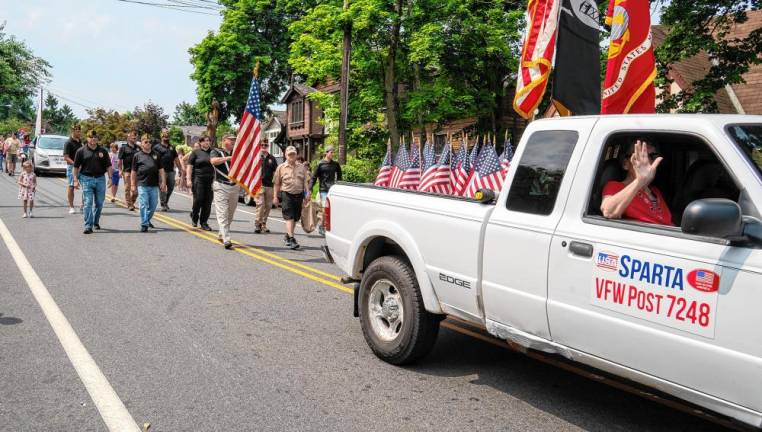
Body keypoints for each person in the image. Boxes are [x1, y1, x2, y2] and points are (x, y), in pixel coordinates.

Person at [601, 140, 673, 226]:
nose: (648, 161)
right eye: (640, 156)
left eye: (653, 156)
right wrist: (639, 181)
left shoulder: (655, 191)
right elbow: (609, 212)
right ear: (625, 164)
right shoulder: (615, 186)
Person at [72, 130, 113, 234]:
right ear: (87, 138)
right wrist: (76, 180)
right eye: (91, 137)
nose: (93, 139)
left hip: (100, 179)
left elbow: (108, 165)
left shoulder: (103, 151)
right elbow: (75, 167)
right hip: (86, 178)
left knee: (99, 203)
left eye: (95, 137)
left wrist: (110, 178)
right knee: (88, 203)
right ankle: (88, 225)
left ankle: (95, 221)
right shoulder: (81, 151)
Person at [273, 145, 310, 250]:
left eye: (293, 154)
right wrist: (275, 197)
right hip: (287, 194)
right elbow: (276, 183)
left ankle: (288, 236)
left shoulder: (302, 167)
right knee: (289, 216)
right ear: (286, 155)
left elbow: (305, 182)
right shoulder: (281, 168)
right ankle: (292, 238)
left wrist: (307, 194)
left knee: (295, 217)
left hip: (299, 195)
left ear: (296, 154)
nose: (292, 156)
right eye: (289, 154)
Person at [132, 134, 167, 232]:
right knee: (143, 204)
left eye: (150, 142)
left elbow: (161, 170)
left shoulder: (156, 155)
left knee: (153, 204)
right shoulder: (137, 156)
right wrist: (132, 185)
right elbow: (133, 172)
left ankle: (146, 219)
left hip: (154, 185)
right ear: (142, 143)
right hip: (142, 184)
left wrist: (163, 182)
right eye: (146, 142)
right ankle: (144, 224)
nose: (148, 144)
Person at [210, 135, 239, 249]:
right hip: (221, 185)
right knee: (222, 213)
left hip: (234, 186)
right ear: (224, 141)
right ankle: (227, 239)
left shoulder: (237, 152)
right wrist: (228, 158)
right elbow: (213, 161)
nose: (233, 142)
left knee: (230, 214)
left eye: (234, 140)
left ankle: (222, 233)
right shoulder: (216, 151)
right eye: (231, 140)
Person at [310, 145, 342, 235]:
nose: (332, 154)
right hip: (323, 190)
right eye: (331, 152)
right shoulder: (320, 164)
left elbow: (339, 177)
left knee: (332, 210)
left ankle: (327, 226)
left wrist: (339, 186)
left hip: (332, 190)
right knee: (325, 209)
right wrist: (310, 188)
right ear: (326, 153)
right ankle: (322, 226)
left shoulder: (336, 164)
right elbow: (314, 177)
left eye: (333, 152)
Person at [185, 136, 214, 230]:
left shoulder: (213, 152)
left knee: (208, 202)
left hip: (210, 180)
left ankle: (204, 222)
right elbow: (189, 167)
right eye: (205, 141)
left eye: (208, 141)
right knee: (198, 199)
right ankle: (194, 215)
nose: (207, 142)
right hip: (198, 179)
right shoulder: (195, 152)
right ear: (200, 143)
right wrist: (188, 179)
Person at [154, 129, 183, 211]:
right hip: (161, 171)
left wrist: (180, 169)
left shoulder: (172, 147)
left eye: (167, 135)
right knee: (162, 187)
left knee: (171, 187)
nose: (166, 136)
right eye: (164, 135)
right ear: (161, 136)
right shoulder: (156, 147)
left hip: (171, 170)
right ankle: (163, 204)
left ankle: (165, 201)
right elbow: (153, 158)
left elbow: (176, 159)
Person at [254, 143, 278, 234]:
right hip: (259, 185)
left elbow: (275, 172)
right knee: (260, 204)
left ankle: (263, 224)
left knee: (268, 206)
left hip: (269, 185)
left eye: (265, 145)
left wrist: (276, 183)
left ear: (268, 147)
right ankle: (257, 223)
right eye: (262, 145)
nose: (264, 147)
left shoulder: (272, 158)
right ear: (259, 146)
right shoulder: (256, 157)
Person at [63, 124, 83, 213]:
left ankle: (83, 205)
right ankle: (71, 207)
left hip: (82, 167)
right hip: (72, 167)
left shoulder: (80, 141)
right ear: (73, 131)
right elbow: (66, 157)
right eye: (77, 131)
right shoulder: (68, 143)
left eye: (79, 131)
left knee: (86, 186)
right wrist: (76, 164)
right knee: (71, 186)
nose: (79, 132)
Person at [118, 131, 140, 211]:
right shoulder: (123, 148)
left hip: (136, 171)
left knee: (135, 191)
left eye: (135, 137)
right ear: (128, 137)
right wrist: (120, 170)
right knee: (128, 188)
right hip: (127, 171)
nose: (134, 138)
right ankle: (129, 204)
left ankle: (132, 202)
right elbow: (120, 160)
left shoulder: (138, 148)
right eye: (133, 137)